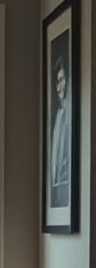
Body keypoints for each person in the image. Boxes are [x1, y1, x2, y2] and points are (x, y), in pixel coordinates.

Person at [50, 54, 71, 208]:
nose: (59, 86)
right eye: (57, 81)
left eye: (62, 79)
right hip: (58, 188)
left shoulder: (70, 115)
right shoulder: (58, 116)